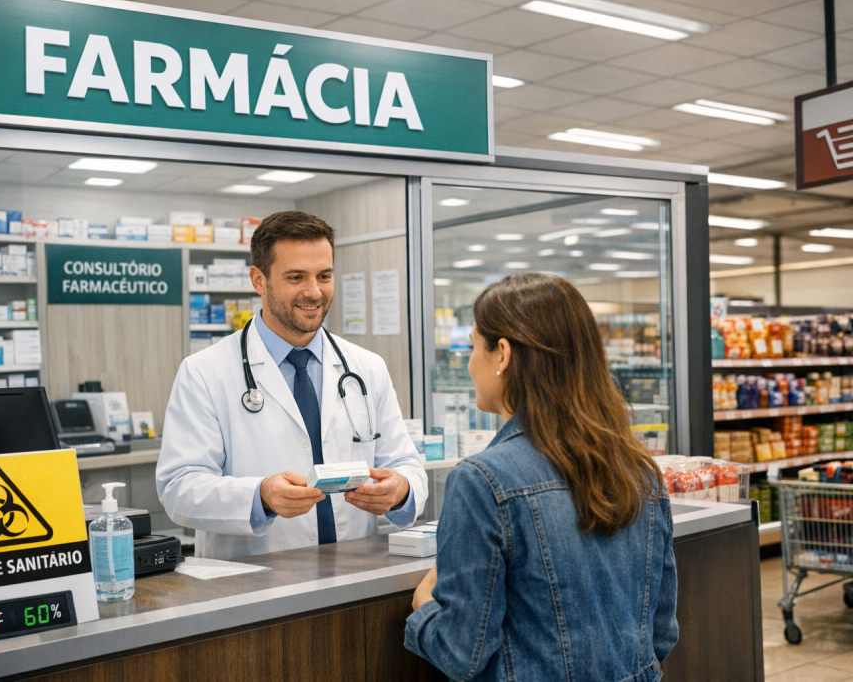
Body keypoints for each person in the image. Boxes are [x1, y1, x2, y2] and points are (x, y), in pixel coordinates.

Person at [405, 273, 677, 682]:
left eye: (473, 347)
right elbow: (661, 635)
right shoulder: (638, 469)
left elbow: (463, 652)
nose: (468, 363)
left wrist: (424, 606)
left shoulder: (482, 481)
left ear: (503, 354)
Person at [156, 211, 427, 559]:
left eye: (324, 275)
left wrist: (401, 489)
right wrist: (260, 495)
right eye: (296, 277)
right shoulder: (205, 372)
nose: (314, 292)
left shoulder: (366, 367)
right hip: (256, 586)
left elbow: (407, 464)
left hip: (358, 578)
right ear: (259, 280)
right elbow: (179, 488)